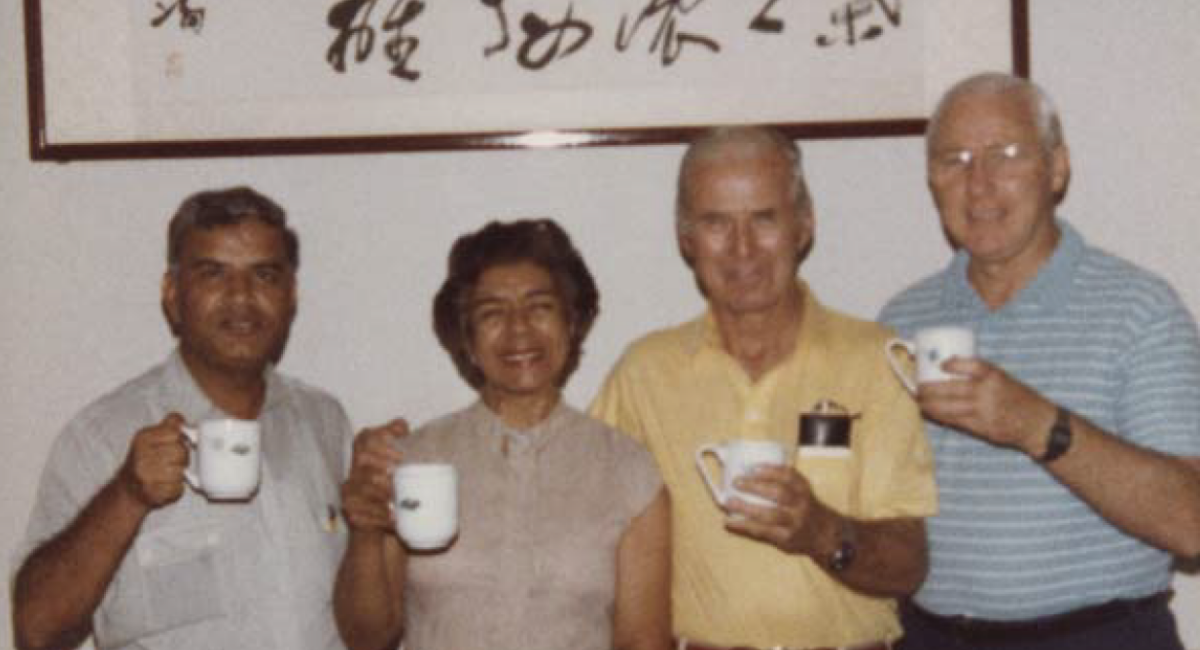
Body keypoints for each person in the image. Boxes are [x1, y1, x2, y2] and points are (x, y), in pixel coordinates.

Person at [879, 72, 1200, 650]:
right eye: (955, 159)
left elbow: (1192, 522)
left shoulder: (1138, 310)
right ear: (932, 180)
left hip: (1099, 637)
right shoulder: (903, 318)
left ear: (1056, 169)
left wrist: (1035, 424)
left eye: (1005, 154)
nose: (979, 183)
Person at [591, 125, 936, 650]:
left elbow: (909, 565)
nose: (742, 248)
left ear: (804, 225)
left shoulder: (873, 360)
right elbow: (579, 527)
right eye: (716, 223)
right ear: (685, 238)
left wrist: (822, 532)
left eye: (764, 219)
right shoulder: (645, 373)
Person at [11, 187, 354, 650]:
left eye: (265, 275)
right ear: (172, 295)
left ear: (291, 295)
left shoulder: (323, 421)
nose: (241, 298)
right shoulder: (103, 435)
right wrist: (127, 494)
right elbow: (37, 629)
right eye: (213, 274)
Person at [333, 219, 671, 650]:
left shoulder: (629, 470)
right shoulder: (412, 460)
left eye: (540, 306)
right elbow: (366, 637)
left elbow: (644, 642)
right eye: (492, 312)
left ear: (572, 322)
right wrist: (363, 530)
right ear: (467, 339)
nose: (519, 329)